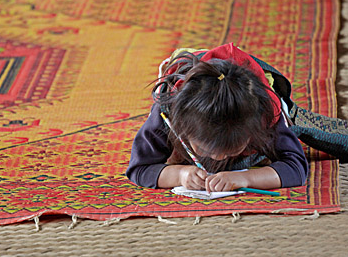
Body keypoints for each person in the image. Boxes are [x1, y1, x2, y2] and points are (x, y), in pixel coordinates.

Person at [126, 43, 308, 193]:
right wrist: (180, 174)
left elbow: (296, 168)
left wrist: (244, 178)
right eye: (204, 149)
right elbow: (139, 168)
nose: (218, 158)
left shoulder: (264, 114)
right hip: (190, 74)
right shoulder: (167, 113)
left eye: (232, 150)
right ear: (183, 129)